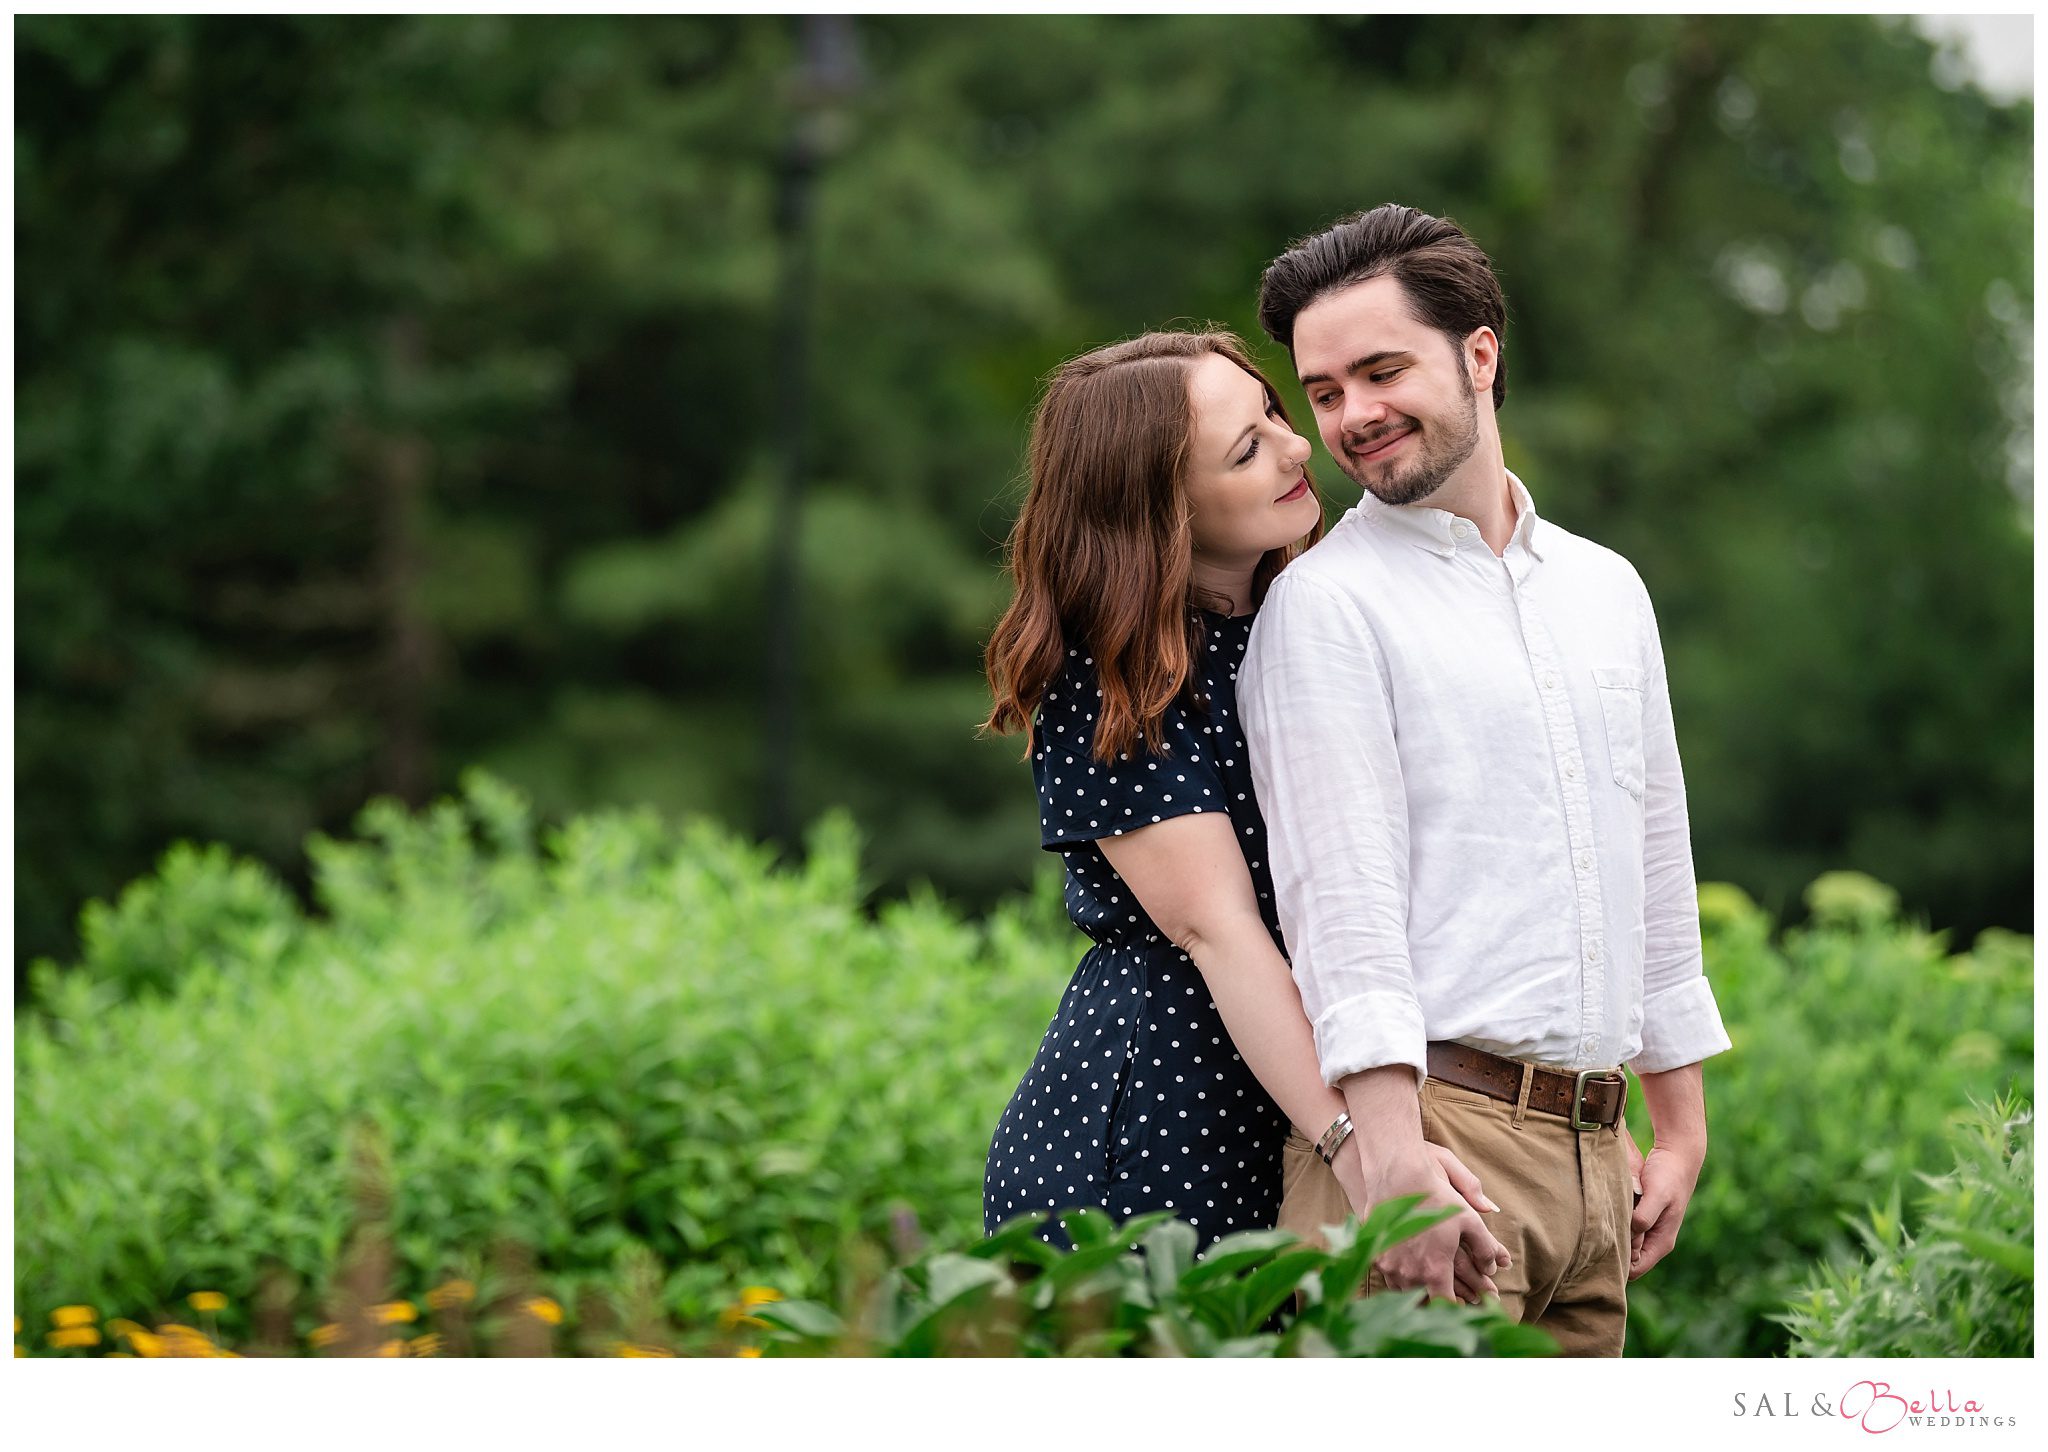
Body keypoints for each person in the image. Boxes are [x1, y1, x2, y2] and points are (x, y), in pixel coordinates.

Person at [1238, 204, 1733, 1355]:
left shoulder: (1607, 589)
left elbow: (1654, 862)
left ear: (1477, 353)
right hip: (1432, 1148)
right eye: (1323, 392)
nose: (1351, 416)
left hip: (1597, 1158)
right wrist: (1388, 1161)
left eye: (1380, 372)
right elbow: (1339, 908)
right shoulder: (1324, 605)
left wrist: (1678, 1121)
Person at [980, 330, 1498, 1265]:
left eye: (1273, 413)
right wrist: (1363, 1155)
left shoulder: (1325, 616)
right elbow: (1217, 931)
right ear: (1161, 510)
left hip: (1329, 1105)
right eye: (1247, 449)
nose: (1299, 447)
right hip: (1167, 1127)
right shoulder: (1116, 676)